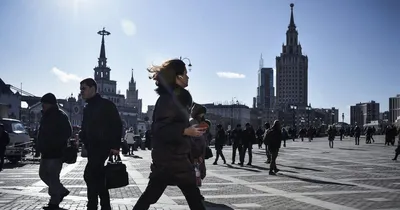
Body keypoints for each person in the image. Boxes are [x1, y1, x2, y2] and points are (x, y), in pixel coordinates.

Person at [133, 59, 206, 210]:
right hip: (170, 161)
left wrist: (195, 151)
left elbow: (183, 130)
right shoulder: (167, 100)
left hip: (174, 160)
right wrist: (184, 130)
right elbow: (159, 129)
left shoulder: (178, 99)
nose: (188, 77)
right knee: (193, 199)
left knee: (152, 196)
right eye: (185, 74)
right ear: (178, 77)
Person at [79, 78, 123, 210]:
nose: (81, 92)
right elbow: (85, 126)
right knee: (97, 177)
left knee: (89, 175)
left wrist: (115, 146)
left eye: (83, 89)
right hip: (92, 147)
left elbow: (117, 125)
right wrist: (83, 136)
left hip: (103, 146)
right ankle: (104, 205)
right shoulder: (88, 107)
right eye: (81, 89)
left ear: (93, 88)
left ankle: (93, 205)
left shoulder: (106, 105)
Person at [37, 93, 72, 210]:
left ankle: (54, 202)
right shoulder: (45, 116)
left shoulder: (60, 116)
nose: (42, 106)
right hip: (45, 152)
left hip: (55, 152)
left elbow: (68, 132)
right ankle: (60, 191)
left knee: (53, 177)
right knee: (43, 175)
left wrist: (56, 142)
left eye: (44, 104)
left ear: (50, 104)